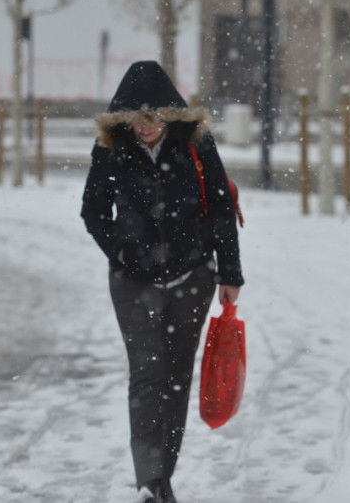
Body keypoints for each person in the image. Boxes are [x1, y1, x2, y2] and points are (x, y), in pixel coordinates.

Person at [81, 61, 244, 503]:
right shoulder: (111, 149)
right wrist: (121, 251)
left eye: (153, 118)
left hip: (192, 276)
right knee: (147, 377)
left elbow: (221, 209)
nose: (145, 127)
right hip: (134, 282)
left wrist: (230, 273)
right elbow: (92, 212)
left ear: (169, 116)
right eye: (136, 119)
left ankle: (163, 477)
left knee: (177, 378)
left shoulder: (196, 145)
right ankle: (150, 482)